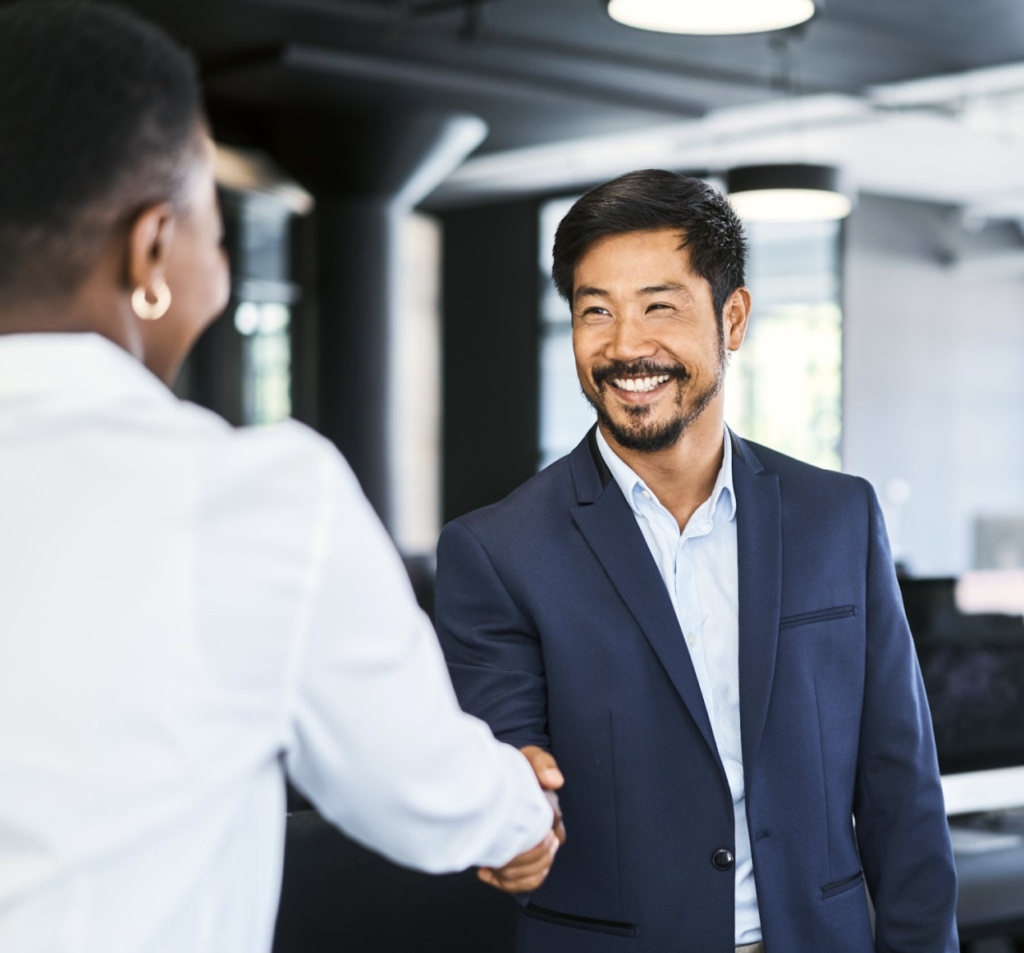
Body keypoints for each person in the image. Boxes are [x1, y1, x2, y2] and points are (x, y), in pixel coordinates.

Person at [0, 4, 560, 951]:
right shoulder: (252, 497)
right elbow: (417, 787)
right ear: (150, 251)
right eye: (214, 233)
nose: (218, 270)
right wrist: (519, 807)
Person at [436, 169, 959, 953]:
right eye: (595, 313)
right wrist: (515, 809)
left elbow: (900, 788)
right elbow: (507, 760)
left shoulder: (838, 519)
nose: (624, 347)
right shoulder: (497, 550)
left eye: (659, 306)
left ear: (733, 316)